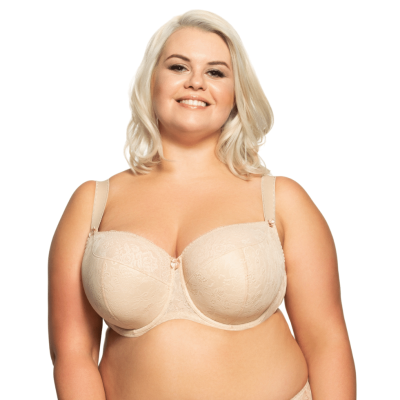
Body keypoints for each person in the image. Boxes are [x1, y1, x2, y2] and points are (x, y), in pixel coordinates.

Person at [48, 9, 356, 400]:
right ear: (151, 81)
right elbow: (72, 352)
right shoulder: (93, 203)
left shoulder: (281, 200)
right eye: (178, 67)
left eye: (215, 72)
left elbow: (326, 341)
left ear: (236, 94)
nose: (196, 82)